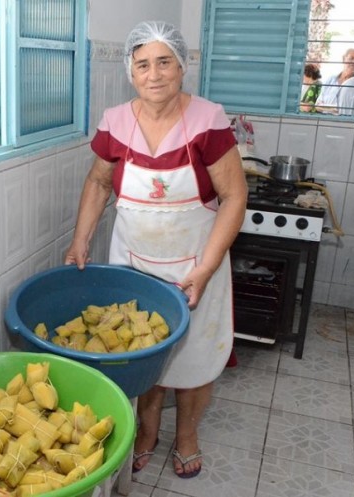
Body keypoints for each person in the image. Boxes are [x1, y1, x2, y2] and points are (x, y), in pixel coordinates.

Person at [63, 21, 246, 479]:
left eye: (165, 62)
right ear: (130, 71)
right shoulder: (116, 122)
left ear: (181, 67)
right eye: (143, 64)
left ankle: (187, 434)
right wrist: (81, 238)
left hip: (194, 264)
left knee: (195, 356)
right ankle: (148, 431)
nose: (154, 74)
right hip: (134, 262)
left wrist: (205, 267)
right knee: (142, 352)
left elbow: (235, 197)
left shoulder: (207, 120)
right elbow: (99, 181)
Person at [315, 48, 354, 112]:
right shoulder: (331, 79)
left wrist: (326, 108)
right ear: (343, 59)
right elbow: (317, 106)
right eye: (351, 58)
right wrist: (335, 110)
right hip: (324, 120)